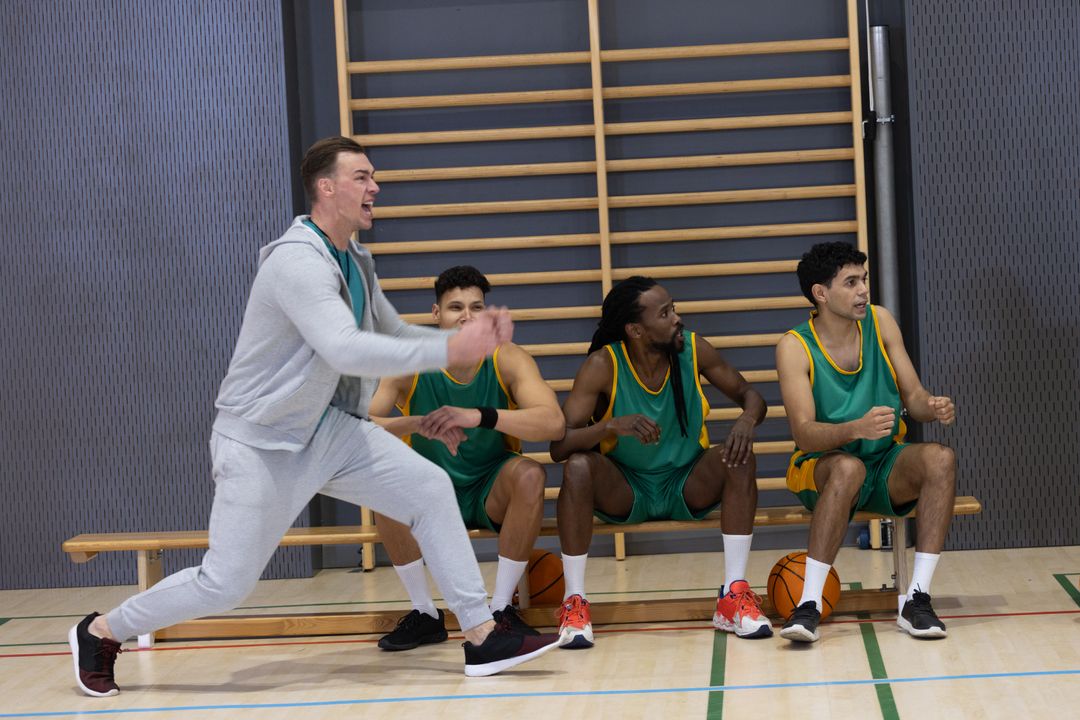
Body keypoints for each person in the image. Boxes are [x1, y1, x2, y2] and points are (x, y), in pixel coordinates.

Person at [67, 137, 560, 697]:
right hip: (261, 441)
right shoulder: (296, 261)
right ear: (327, 188)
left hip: (328, 429)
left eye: (374, 177)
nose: (375, 188)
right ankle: (102, 630)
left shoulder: (355, 259)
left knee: (428, 489)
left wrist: (457, 344)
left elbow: (391, 333)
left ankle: (481, 634)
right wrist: (451, 349)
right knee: (225, 583)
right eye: (363, 177)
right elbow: (345, 349)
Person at [549, 276, 770, 648]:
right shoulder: (603, 365)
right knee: (577, 466)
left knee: (739, 457)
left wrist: (747, 420)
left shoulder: (695, 349)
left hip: (686, 481)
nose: (676, 319)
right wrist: (610, 426)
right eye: (665, 313)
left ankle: (732, 595)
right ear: (636, 329)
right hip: (626, 487)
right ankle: (575, 601)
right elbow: (559, 447)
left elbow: (750, 394)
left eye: (674, 308)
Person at [368, 265, 565, 650]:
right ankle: (425, 614)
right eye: (456, 307)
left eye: (477, 307)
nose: (467, 316)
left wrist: (479, 416)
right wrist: (417, 422)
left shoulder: (507, 358)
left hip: (489, 487)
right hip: (430, 489)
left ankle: (500, 611)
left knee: (530, 474)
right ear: (435, 314)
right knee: (381, 482)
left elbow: (554, 422)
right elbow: (359, 422)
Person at [775, 241, 957, 643]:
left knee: (940, 459)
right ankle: (808, 605)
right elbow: (803, 432)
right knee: (847, 466)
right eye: (851, 282)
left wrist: (932, 406)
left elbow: (914, 397)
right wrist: (854, 428)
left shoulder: (880, 321)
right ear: (820, 293)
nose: (863, 291)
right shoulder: (794, 346)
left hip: (882, 462)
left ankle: (917, 600)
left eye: (865, 280)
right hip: (821, 466)